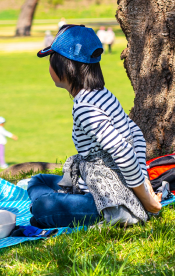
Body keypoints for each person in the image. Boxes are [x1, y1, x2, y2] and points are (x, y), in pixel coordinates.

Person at [25, 25, 162, 228]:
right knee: (38, 180)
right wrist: (145, 183)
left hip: (107, 196)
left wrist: (146, 199)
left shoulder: (85, 107)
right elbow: (136, 135)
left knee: (42, 207)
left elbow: (122, 150)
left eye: (51, 60)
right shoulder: (102, 93)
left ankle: (120, 212)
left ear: (65, 66)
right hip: (101, 183)